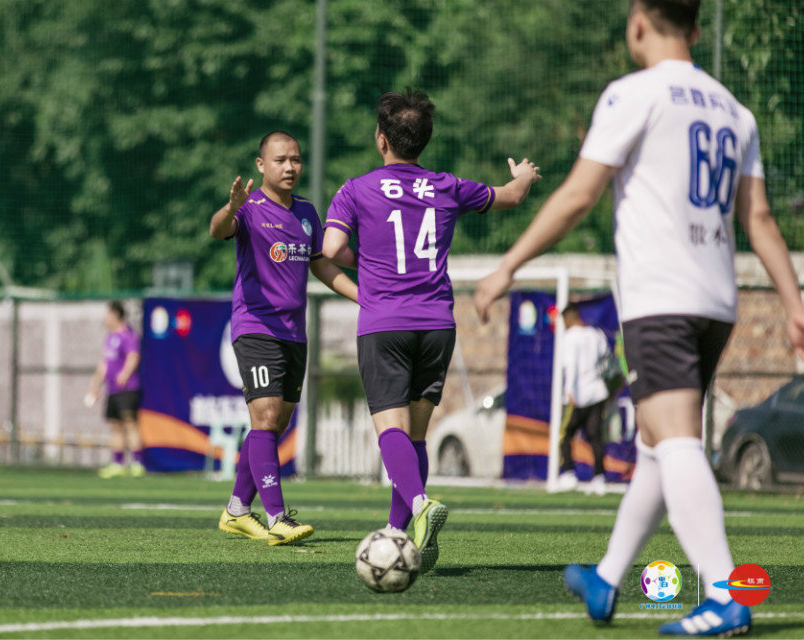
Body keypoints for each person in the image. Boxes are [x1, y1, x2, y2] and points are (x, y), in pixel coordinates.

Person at [473, 0, 804, 635]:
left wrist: (508, 265)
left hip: (661, 298)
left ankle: (726, 594)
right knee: (656, 443)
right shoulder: (735, 111)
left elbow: (579, 194)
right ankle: (607, 576)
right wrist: (793, 303)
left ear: (638, 23)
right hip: (716, 301)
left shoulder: (634, 94)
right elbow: (759, 218)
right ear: (697, 29)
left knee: (676, 441)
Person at [322, 89, 541, 573]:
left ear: (381, 139)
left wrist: (368, 265)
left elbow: (332, 248)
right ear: (424, 140)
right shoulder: (447, 185)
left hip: (385, 323)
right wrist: (524, 175)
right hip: (437, 323)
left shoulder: (356, 189)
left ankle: (419, 504)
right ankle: (399, 533)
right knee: (416, 436)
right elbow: (511, 196)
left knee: (390, 430)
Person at [209, 131, 358, 546]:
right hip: (256, 327)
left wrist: (365, 297)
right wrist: (231, 207)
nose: (290, 167)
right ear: (261, 165)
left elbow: (322, 266)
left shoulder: (307, 212)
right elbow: (217, 230)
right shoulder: (249, 208)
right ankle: (278, 518)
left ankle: (237, 510)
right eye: (280, 160)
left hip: (294, 334)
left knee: (274, 425)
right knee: (266, 417)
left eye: (296, 159)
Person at [86, 301, 144, 479]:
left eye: (108, 314)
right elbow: (104, 364)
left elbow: (134, 356)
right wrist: (96, 384)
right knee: (115, 426)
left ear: (116, 315)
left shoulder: (128, 335)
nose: (105, 318)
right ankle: (118, 464)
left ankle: (137, 464)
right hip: (112, 390)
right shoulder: (110, 338)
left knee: (130, 425)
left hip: (127, 389)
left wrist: (125, 374)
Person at [558, 304, 610, 495]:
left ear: (567, 319)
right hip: (597, 392)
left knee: (565, 434)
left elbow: (571, 364)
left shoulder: (570, 337)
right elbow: (606, 358)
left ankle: (568, 474)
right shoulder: (596, 335)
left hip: (578, 395)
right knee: (595, 437)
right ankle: (599, 477)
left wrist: (569, 390)